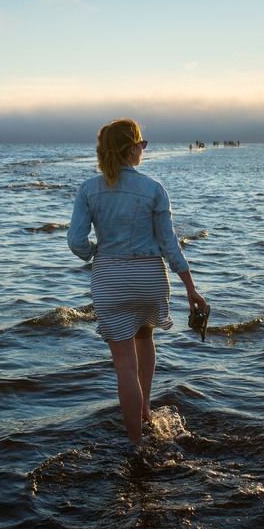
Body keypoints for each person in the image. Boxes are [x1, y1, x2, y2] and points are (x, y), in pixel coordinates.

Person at [67, 118, 208, 446]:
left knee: (124, 366)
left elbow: (76, 242)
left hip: (110, 278)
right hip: (149, 278)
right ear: (131, 148)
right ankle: (146, 409)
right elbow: (170, 244)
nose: (144, 149)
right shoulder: (154, 189)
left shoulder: (89, 189)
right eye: (142, 144)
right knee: (145, 338)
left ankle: (136, 445)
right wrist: (190, 288)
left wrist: (94, 251)